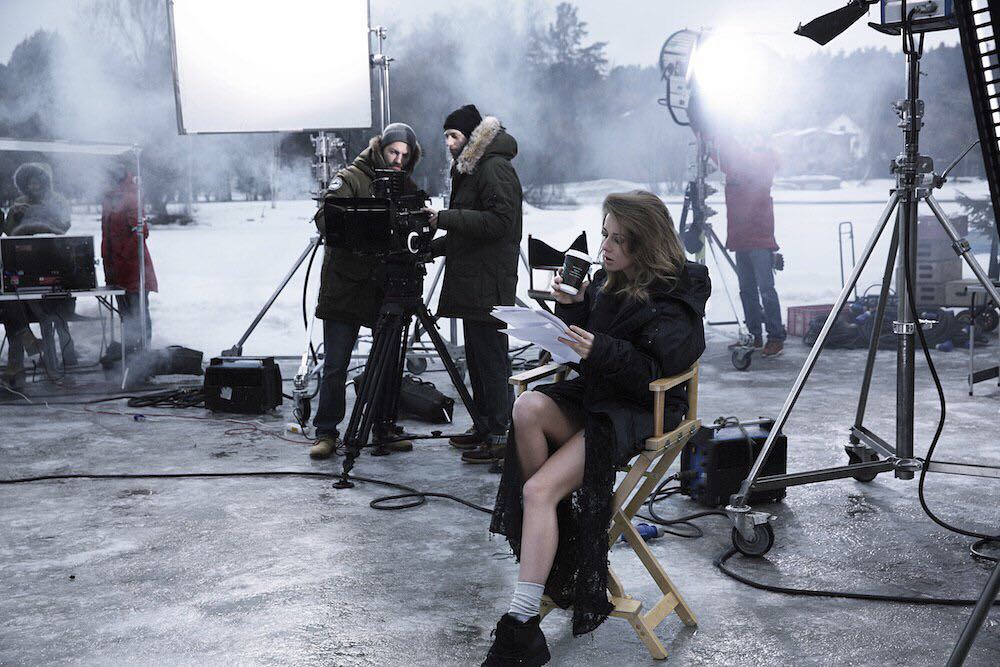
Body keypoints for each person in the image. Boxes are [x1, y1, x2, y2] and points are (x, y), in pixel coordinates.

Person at [482, 191, 709, 665]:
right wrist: (574, 307)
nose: (604, 246)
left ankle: (522, 621)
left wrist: (597, 348)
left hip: (638, 408)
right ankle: (557, 533)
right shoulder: (609, 280)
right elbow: (587, 342)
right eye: (605, 234)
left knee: (538, 490)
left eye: (617, 239)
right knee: (527, 407)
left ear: (645, 244)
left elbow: (656, 369)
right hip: (598, 392)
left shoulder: (679, 293)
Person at [308, 123, 422, 460]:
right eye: (393, 152)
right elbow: (324, 218)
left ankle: (382, 428)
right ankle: (326, 432)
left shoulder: (406, 187)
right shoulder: (351, 177)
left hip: (384, 288)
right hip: (345, 287)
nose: (398, 160)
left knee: (386, 363)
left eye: (404, 155)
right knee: (336, 365)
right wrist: (364, 224)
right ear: (380, 149)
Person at [423, 104, 522, 463]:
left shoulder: (494, 167)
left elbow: (499, 223)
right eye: (446, 137)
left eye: (454, 136)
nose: (448, 143)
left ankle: (499, 434)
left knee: (491, 362)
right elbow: (467, 232)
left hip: (487, 283)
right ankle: (484, 426)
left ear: (471, 137)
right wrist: (428, 249)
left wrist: (445, 218)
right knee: (479, 361)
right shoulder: (473, 169)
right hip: (474, 282)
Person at [715, 133, 786, 357]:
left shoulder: (762, 164)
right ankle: (754, 336)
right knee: (747, 290)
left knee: (766, 289)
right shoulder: (738, 166)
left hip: (759, 239)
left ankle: (775, 338)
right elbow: (721, 156)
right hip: (741, 239)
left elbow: (731, 157)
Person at [2, 162, 75, 374]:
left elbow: (64, 226)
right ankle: (30, 361)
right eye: (29, 183)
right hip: (26, 264)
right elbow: (9, 232)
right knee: (28, 310)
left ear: (45, 182)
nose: (32, 186)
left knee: (55, 318)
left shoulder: (57, 200)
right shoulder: (20, 202)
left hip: (54, 261)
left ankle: (68, 360)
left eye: (36, 182)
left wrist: (46, 215)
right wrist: (15, 216)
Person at [101, 160, 157, 353]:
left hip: (134, 269)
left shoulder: (132, 197)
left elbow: (141, 233)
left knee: (138, 313)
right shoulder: (108, 199)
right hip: (116, 269)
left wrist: (123, 255)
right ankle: (130, 351)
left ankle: (143, 354)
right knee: (126, 315)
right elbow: (107, 234)